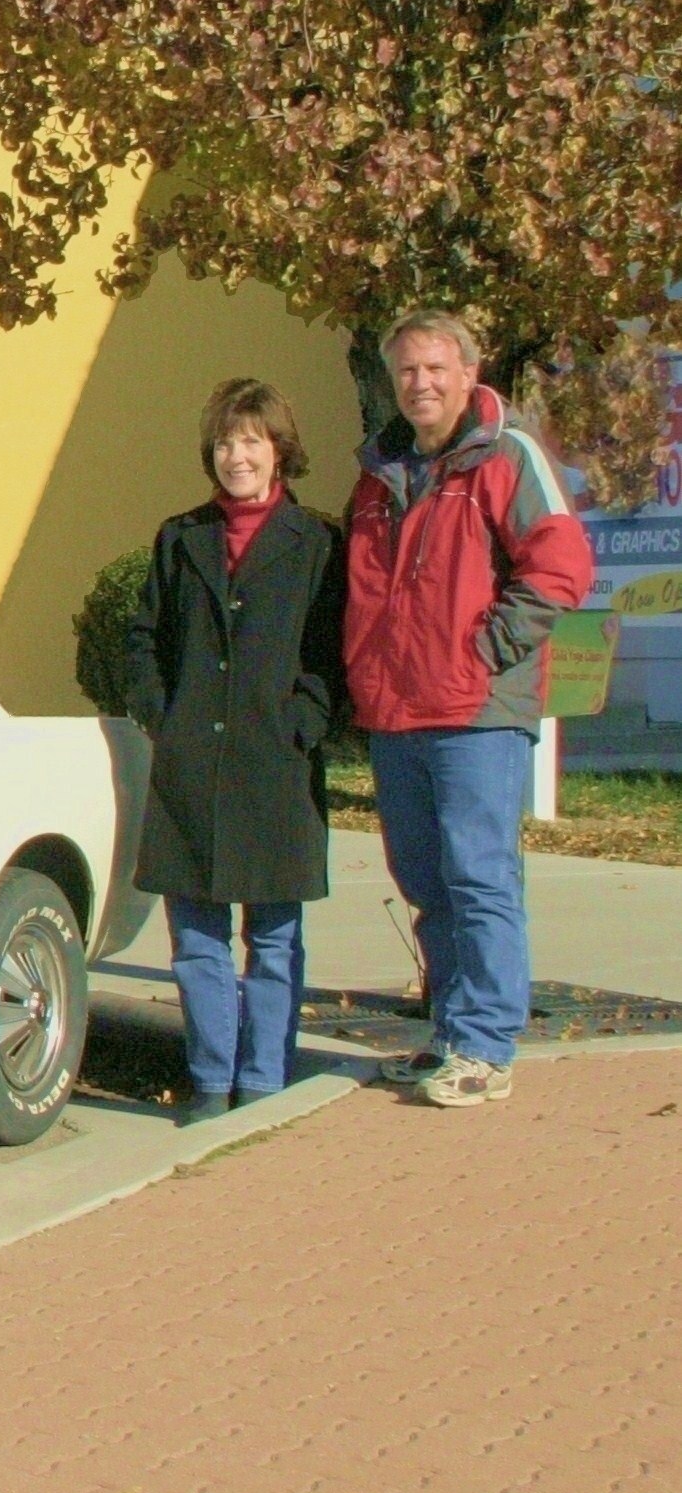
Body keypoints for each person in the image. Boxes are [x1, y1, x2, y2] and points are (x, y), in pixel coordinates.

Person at [345, 310, 595, 1109]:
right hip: (397, 712)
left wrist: (485, 650)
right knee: (427, 881)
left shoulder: (506, 455)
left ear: (467, 373)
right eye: (407, 370)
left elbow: (561, 567)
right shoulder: (379, 474)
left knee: (480, 879)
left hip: (476, 711)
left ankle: (486, 1045)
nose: (420, 383)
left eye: (435, 368)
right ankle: (451, 1034)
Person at [122, 379, 347, 1124]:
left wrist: (303, 722)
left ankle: (264, 1081)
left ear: (279, 449)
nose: (237, 456)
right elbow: (144, 638)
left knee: (274, 940)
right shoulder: (181, 537)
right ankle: (212, 1082)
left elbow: (332, 651)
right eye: (224, 442)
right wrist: (162, 714)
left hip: (276, 764)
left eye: (251, 440)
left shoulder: (316, 543)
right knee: (197, 940)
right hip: (191, 764)